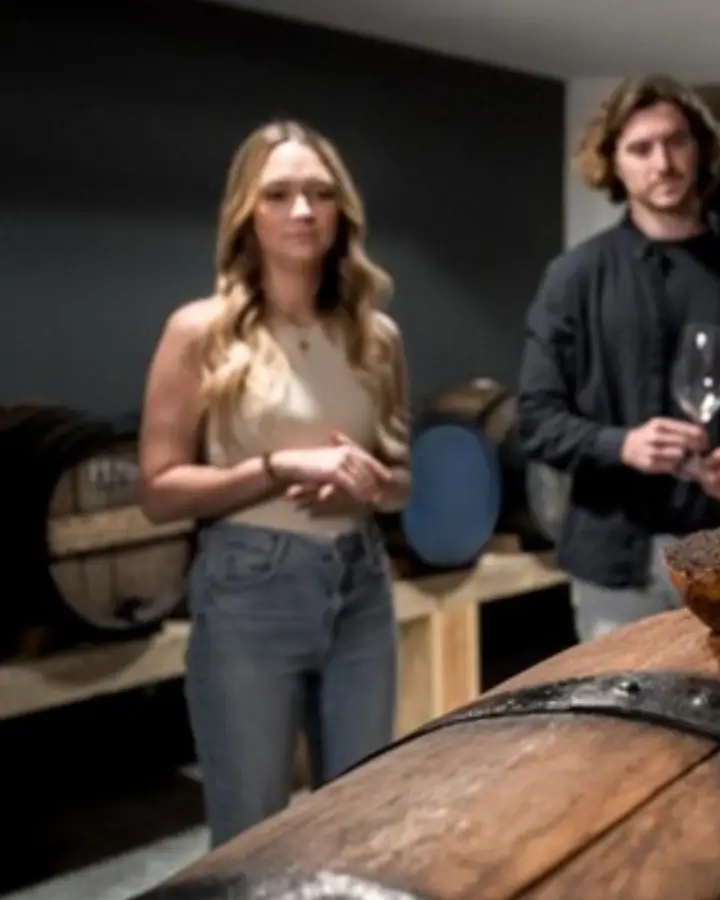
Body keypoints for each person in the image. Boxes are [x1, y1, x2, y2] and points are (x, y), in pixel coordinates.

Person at [138, 119, 411, 847]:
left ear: (341, 211)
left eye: (320, 194)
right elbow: (158, 490)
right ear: (246, 212)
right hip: (250, 591)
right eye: (280, 194)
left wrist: (373, 486)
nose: (302, 211)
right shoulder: (199, 332)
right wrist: (275, 468)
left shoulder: (375, 335)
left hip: (362, 586)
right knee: (252, 830)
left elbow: (402, 483)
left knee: (361, 822)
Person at [518, 75, 720, 642]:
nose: (662, 161)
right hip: (613, 559)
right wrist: (621, 444)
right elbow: (535, 418)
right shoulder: (575, 276)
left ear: (701, 148)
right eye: (640, 148)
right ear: (614, 164)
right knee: (618, 725)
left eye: (675, 141)